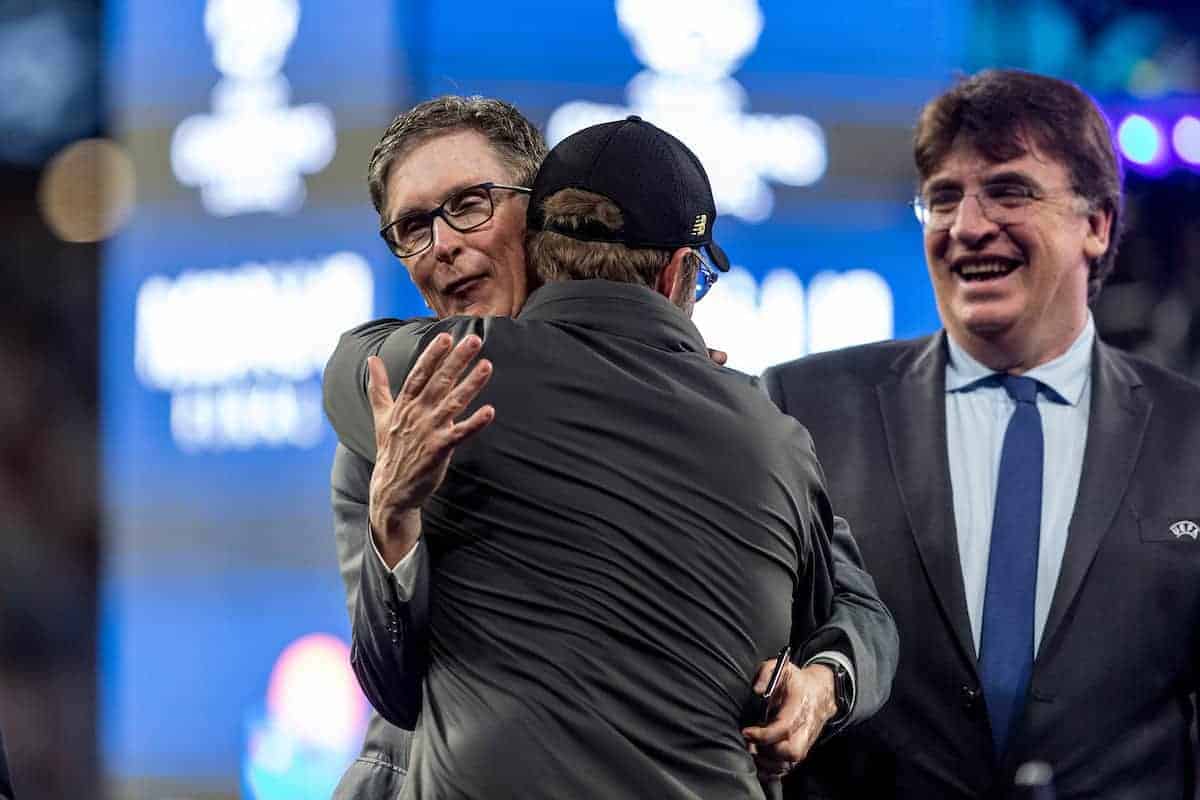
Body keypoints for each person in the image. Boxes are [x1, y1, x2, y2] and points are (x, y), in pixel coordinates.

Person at [329, 97, 897, 796]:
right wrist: (394, 524)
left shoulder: (740, 416)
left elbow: (857, 609)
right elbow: (394, 687)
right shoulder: (395, 417)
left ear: (538, 216)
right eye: (413, 226)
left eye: (470, 204)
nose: (443, 243)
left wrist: (822, 681)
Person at [764, 68, 1200, 799]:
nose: (967, 226)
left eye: (1008, 191)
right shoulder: (802, 407)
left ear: (1096, 224)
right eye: (943, 198)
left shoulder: (1190, 433)